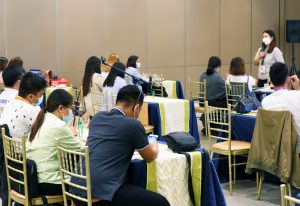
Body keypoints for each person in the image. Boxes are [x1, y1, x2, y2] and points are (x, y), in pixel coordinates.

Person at [70, 85, 170, 206]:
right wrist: (154, 145)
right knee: (161, 202)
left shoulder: (97, 118)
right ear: (137, 107)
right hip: (100, 195)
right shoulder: (133, 124)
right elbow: (150, 157)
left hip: (76, 189)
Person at [26, 89, 84, 196]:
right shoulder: (58, 125)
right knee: (86, 182)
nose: (71, 111)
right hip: (48, 182)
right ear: (61, 108)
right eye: (70, 108)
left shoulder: (42, 118)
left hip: (32, 178)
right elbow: (82, 148)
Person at [262, 62, 300, 153]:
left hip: (275, 148)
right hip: (296, 147)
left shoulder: (265, 102)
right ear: (288, 79)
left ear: (270, 80)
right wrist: (298, 88)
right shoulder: (297, 96)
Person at [0, 72, 47, 138]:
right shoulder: (30, 110)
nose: (41, 97)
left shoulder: (10, 103)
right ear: (31, 96)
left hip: (6, 147)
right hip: (22, 147)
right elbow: (46, 132)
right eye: (41, 95)